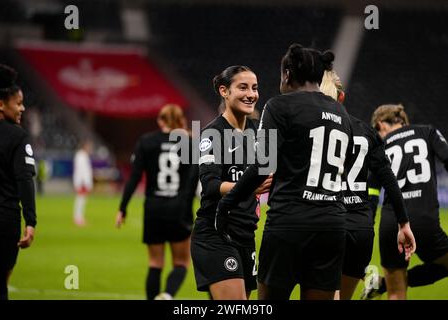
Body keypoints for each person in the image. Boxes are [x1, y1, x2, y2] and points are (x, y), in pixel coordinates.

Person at [216, 44, 354, 300]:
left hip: (290, 222)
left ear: (287, 74)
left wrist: (228, 203)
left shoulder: (279, 106)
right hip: (333, 225)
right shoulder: (341, 112)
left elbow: (262, 165)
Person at [319, 71, 415, 300]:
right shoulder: (366, 131)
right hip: (360, 229)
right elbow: (389, 180)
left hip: (325, 220)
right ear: (341, 97)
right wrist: (404, 223)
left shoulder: (311, 129)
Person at [191, 65, 272, 300]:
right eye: (243, 87)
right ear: (224, 91)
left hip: (247, 234)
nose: (251, 94)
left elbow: (272, 175)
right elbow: (210, 185)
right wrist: (248, 187)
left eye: (255, 88)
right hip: (216, 234)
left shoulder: (260, 133)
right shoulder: (212, 134)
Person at [363, 104, 448, 300]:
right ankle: (387, 282)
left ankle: (388, 283)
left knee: (396, 294)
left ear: (380, 124)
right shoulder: (427, 131)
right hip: (424, 219)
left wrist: (367, 229)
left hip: (391, 224)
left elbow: (372, 192)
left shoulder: (380, 145)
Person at [116, 104, 199, 300]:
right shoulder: (189, 143)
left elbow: (134, 178)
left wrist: (122, 208)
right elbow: (195, 180)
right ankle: (168, 295)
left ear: (160, 120)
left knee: (155, 263)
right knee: (181, 263)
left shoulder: (146, 141)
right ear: (180, 121)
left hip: (153, 208)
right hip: (179, 209)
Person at [0, 64, 37, 300]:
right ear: (1, 104)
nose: (23, 108)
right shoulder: (18, 136)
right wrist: (30, 221)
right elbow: (24, 179)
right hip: (4, 220)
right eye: (18, 103)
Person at [72, 139, 94, 226]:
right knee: (80, 199)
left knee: (82, 199)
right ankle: (78, 217)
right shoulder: (81, 155)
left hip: (83, 182)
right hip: (82, 182)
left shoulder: (84, 155)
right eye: (89, 146)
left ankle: (79, 217)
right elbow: (81, 170)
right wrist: (84, 182)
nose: (90, 148)